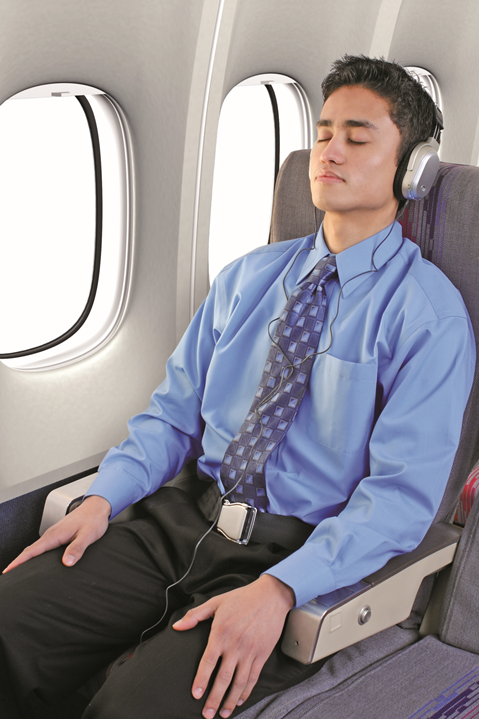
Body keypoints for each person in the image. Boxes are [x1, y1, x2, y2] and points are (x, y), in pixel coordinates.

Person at [0, 56, 475, 719]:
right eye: (323, 132)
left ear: (412, 167)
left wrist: (282, 589)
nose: (329, 151)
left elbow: (398, 499)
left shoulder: (427, 317)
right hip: (178, 521)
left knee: (134, 706)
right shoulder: (247, 277)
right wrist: (102, 497)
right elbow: (171, 418)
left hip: (293, 551)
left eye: (357, 137)